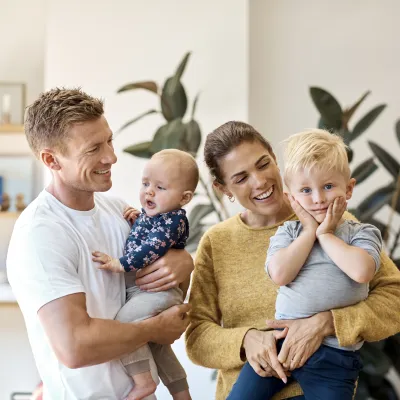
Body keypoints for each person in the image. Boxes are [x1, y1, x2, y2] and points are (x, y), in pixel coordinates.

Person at [185, 121, 400, 400]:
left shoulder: (336, 225)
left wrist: (328, 323)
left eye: (263, 164)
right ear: (223, 189)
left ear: (275, 159)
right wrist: (246, 340)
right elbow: (197, 336)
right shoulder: (216, 242)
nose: (260, 181)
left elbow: (394, 298)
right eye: (240, 178)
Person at [6, 88, 193, 400]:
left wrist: (182, 263)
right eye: (93, 148)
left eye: (109, 140)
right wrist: (152, 330)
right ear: (52, 159)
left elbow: (164, 302)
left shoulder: (120, 211)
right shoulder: (40, 234)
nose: (111, 156)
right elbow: (75, 346)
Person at [226, 129, 382, 399]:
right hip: (279, 345)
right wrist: (309, 232)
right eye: (306, 190)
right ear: (292, 198)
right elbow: (279, 274)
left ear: (349, 189)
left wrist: (326, 235)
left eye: (329, 187)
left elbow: (362, 271)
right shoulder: (288, 233)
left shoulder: (361, 233)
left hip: (335, 358)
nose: (319, 198)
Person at [92, 149, 199, 400]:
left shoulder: (173, 221)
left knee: (123, 326)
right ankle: (181, 394)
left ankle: (143, 382)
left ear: (184, 198)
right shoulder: (155, 216)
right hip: (148, 293)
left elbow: (152, 248)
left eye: (160, 187)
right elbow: (148, 234)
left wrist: (120, 264)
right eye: (145, 183)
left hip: (156, 293)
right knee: (159, 348)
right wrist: (137, 220)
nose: (149, 191)